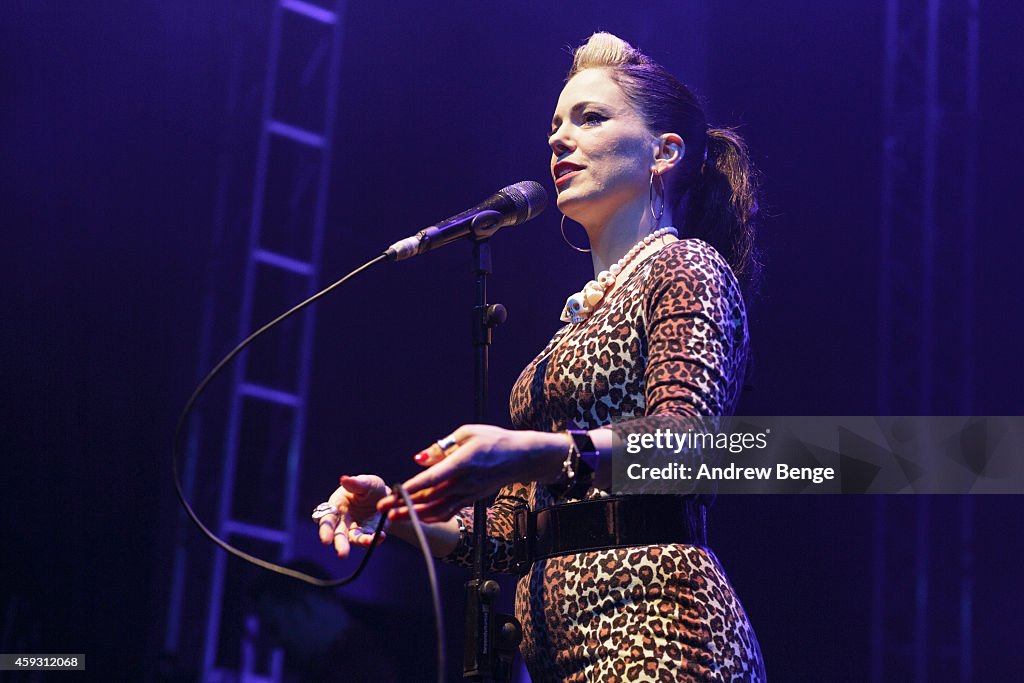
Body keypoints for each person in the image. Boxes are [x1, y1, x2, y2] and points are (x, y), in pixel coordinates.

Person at [315, 32, 766, 682]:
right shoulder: (574, 325)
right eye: (556, 122)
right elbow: (506, 534)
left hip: (663, 634)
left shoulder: (687, 267)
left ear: (664, 152)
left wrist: (537, 450)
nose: (559, 138)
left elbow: (686, 442)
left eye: (591, 117)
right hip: (563, 654)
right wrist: (396, 509)